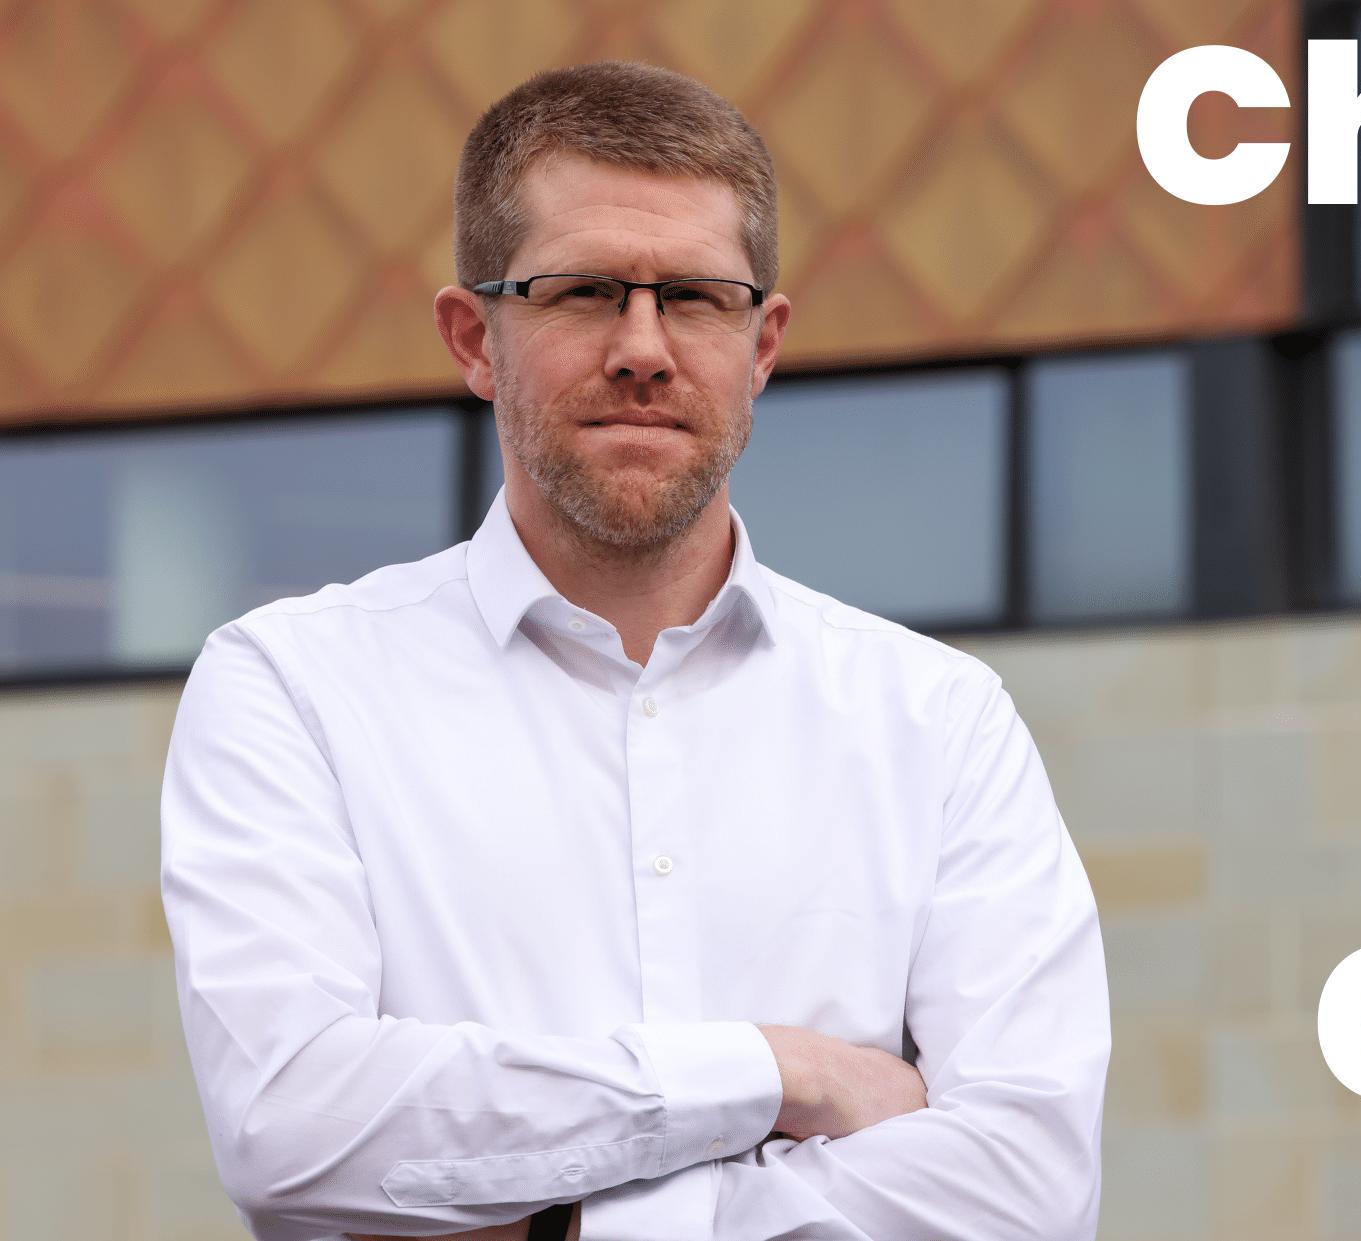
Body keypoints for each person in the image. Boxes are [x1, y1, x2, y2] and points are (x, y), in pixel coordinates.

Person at [159, 60, 1111, 1241]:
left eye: (697, 299)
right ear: (473, 337)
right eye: (585, 291)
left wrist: (557, 1220)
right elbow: (293, 1125)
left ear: (761, 345)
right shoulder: (291, 689)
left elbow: (1028, 1188)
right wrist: (776, 1072)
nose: (644, 347)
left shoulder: (940, 719)